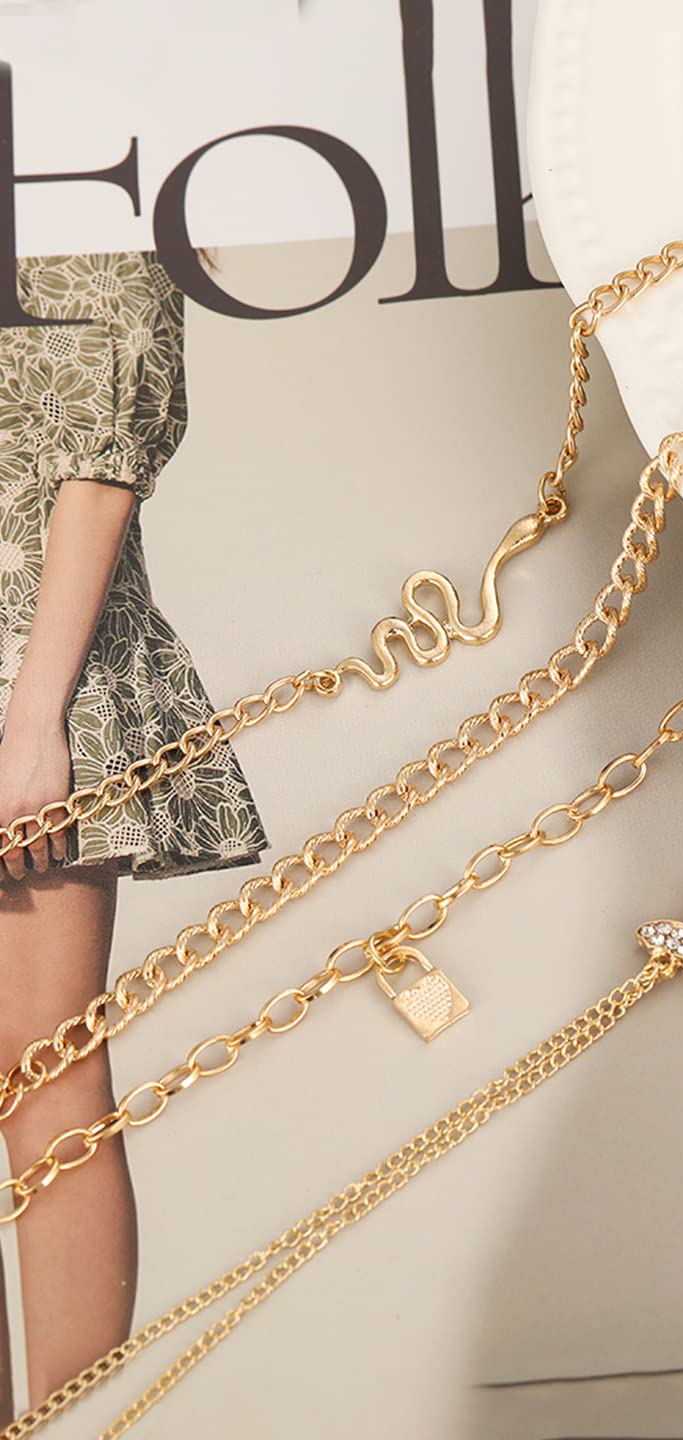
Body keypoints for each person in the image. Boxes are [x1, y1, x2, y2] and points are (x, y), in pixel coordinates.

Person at [0, 248, 266, 1421]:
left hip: (28, 674)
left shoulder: (89, 212)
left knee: (44, 1073)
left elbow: (101, 473)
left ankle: (70, 1426)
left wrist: (33, 722)